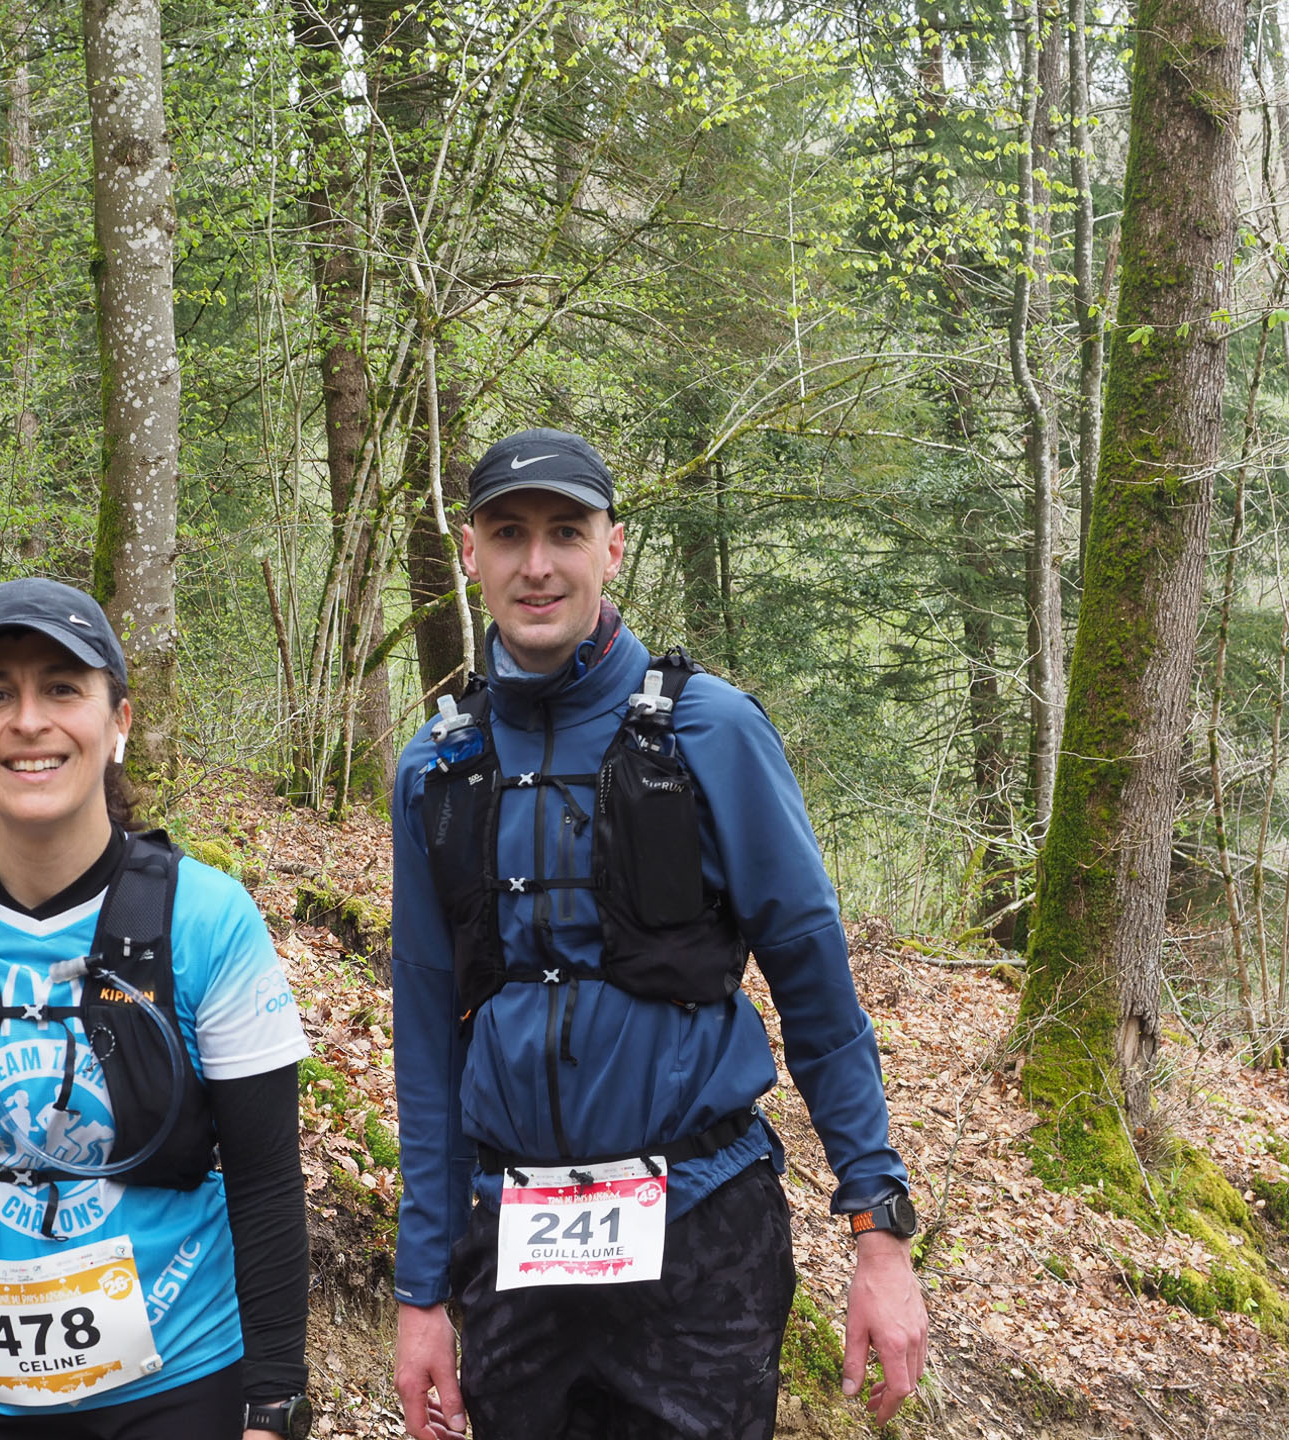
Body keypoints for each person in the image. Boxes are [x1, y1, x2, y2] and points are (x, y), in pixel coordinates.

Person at [390, 430, 927, 1440]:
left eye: (565, 532)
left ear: (613, 547)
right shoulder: (437, 768)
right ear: (470, 553)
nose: (537, 564)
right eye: (509, 535)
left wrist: (879, 1230)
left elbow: (815, 985)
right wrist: (422, 1291)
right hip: (514, 1245)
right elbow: (425, 1036)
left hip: (703, 1232)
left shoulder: (711, 730)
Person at [0, 578, 315, 1440]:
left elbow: (266, 1178)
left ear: (118, 722)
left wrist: (274, 1409)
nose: (28, 721)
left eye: (61, 688)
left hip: (181, 1381)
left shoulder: (208, 918)